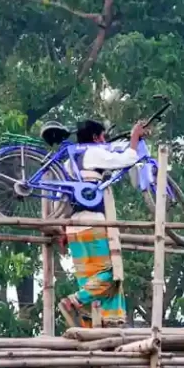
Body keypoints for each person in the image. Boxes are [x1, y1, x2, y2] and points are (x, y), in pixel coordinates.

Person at [55, 118, 149, 329]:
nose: (104, 140)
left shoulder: (69, 162)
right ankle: (74, 301)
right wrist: (135, 136)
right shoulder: (93, 152)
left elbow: (63, 200)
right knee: (112, 274)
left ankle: (97, 325)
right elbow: (126, 160)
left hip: (73, 228)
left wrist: (62, 231)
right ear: (97, 137)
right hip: (93, 223)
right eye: (103, 136)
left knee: (88, 278)